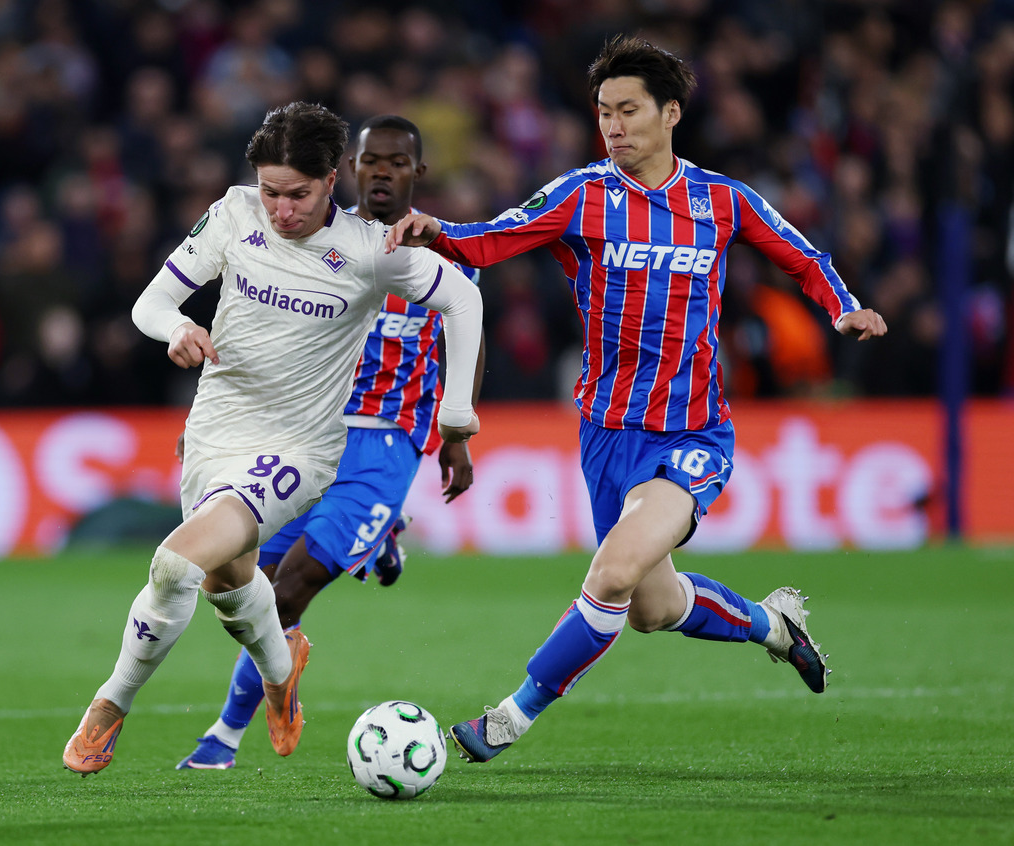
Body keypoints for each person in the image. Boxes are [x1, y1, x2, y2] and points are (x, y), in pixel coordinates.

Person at [385, 35, 887, 763]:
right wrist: (440, 233)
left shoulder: (722, 201)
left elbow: (803, 256)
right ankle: (771, 626)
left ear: (671, 112)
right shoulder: (582, 196)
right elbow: (492, 241)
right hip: (605, 435)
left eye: (628, 110)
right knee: (651, 606)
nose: (614, 126)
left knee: (612, 574)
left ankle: (508, 718)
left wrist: (841, 306)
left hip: (691, 434)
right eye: (603, 113)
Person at [62, 102, 483, 776]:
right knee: (231, 587)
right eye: (270, 191)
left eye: (298, 194)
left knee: (174, 565)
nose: (281, 209)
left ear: (329, 184)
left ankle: (110, 706)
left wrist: (457, 420)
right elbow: (151, 303)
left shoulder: (371, 253)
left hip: (299, 451)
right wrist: (175, 329)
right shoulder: (233, 215)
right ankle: (281, 673)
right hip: (213, 434)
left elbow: (465, 300)